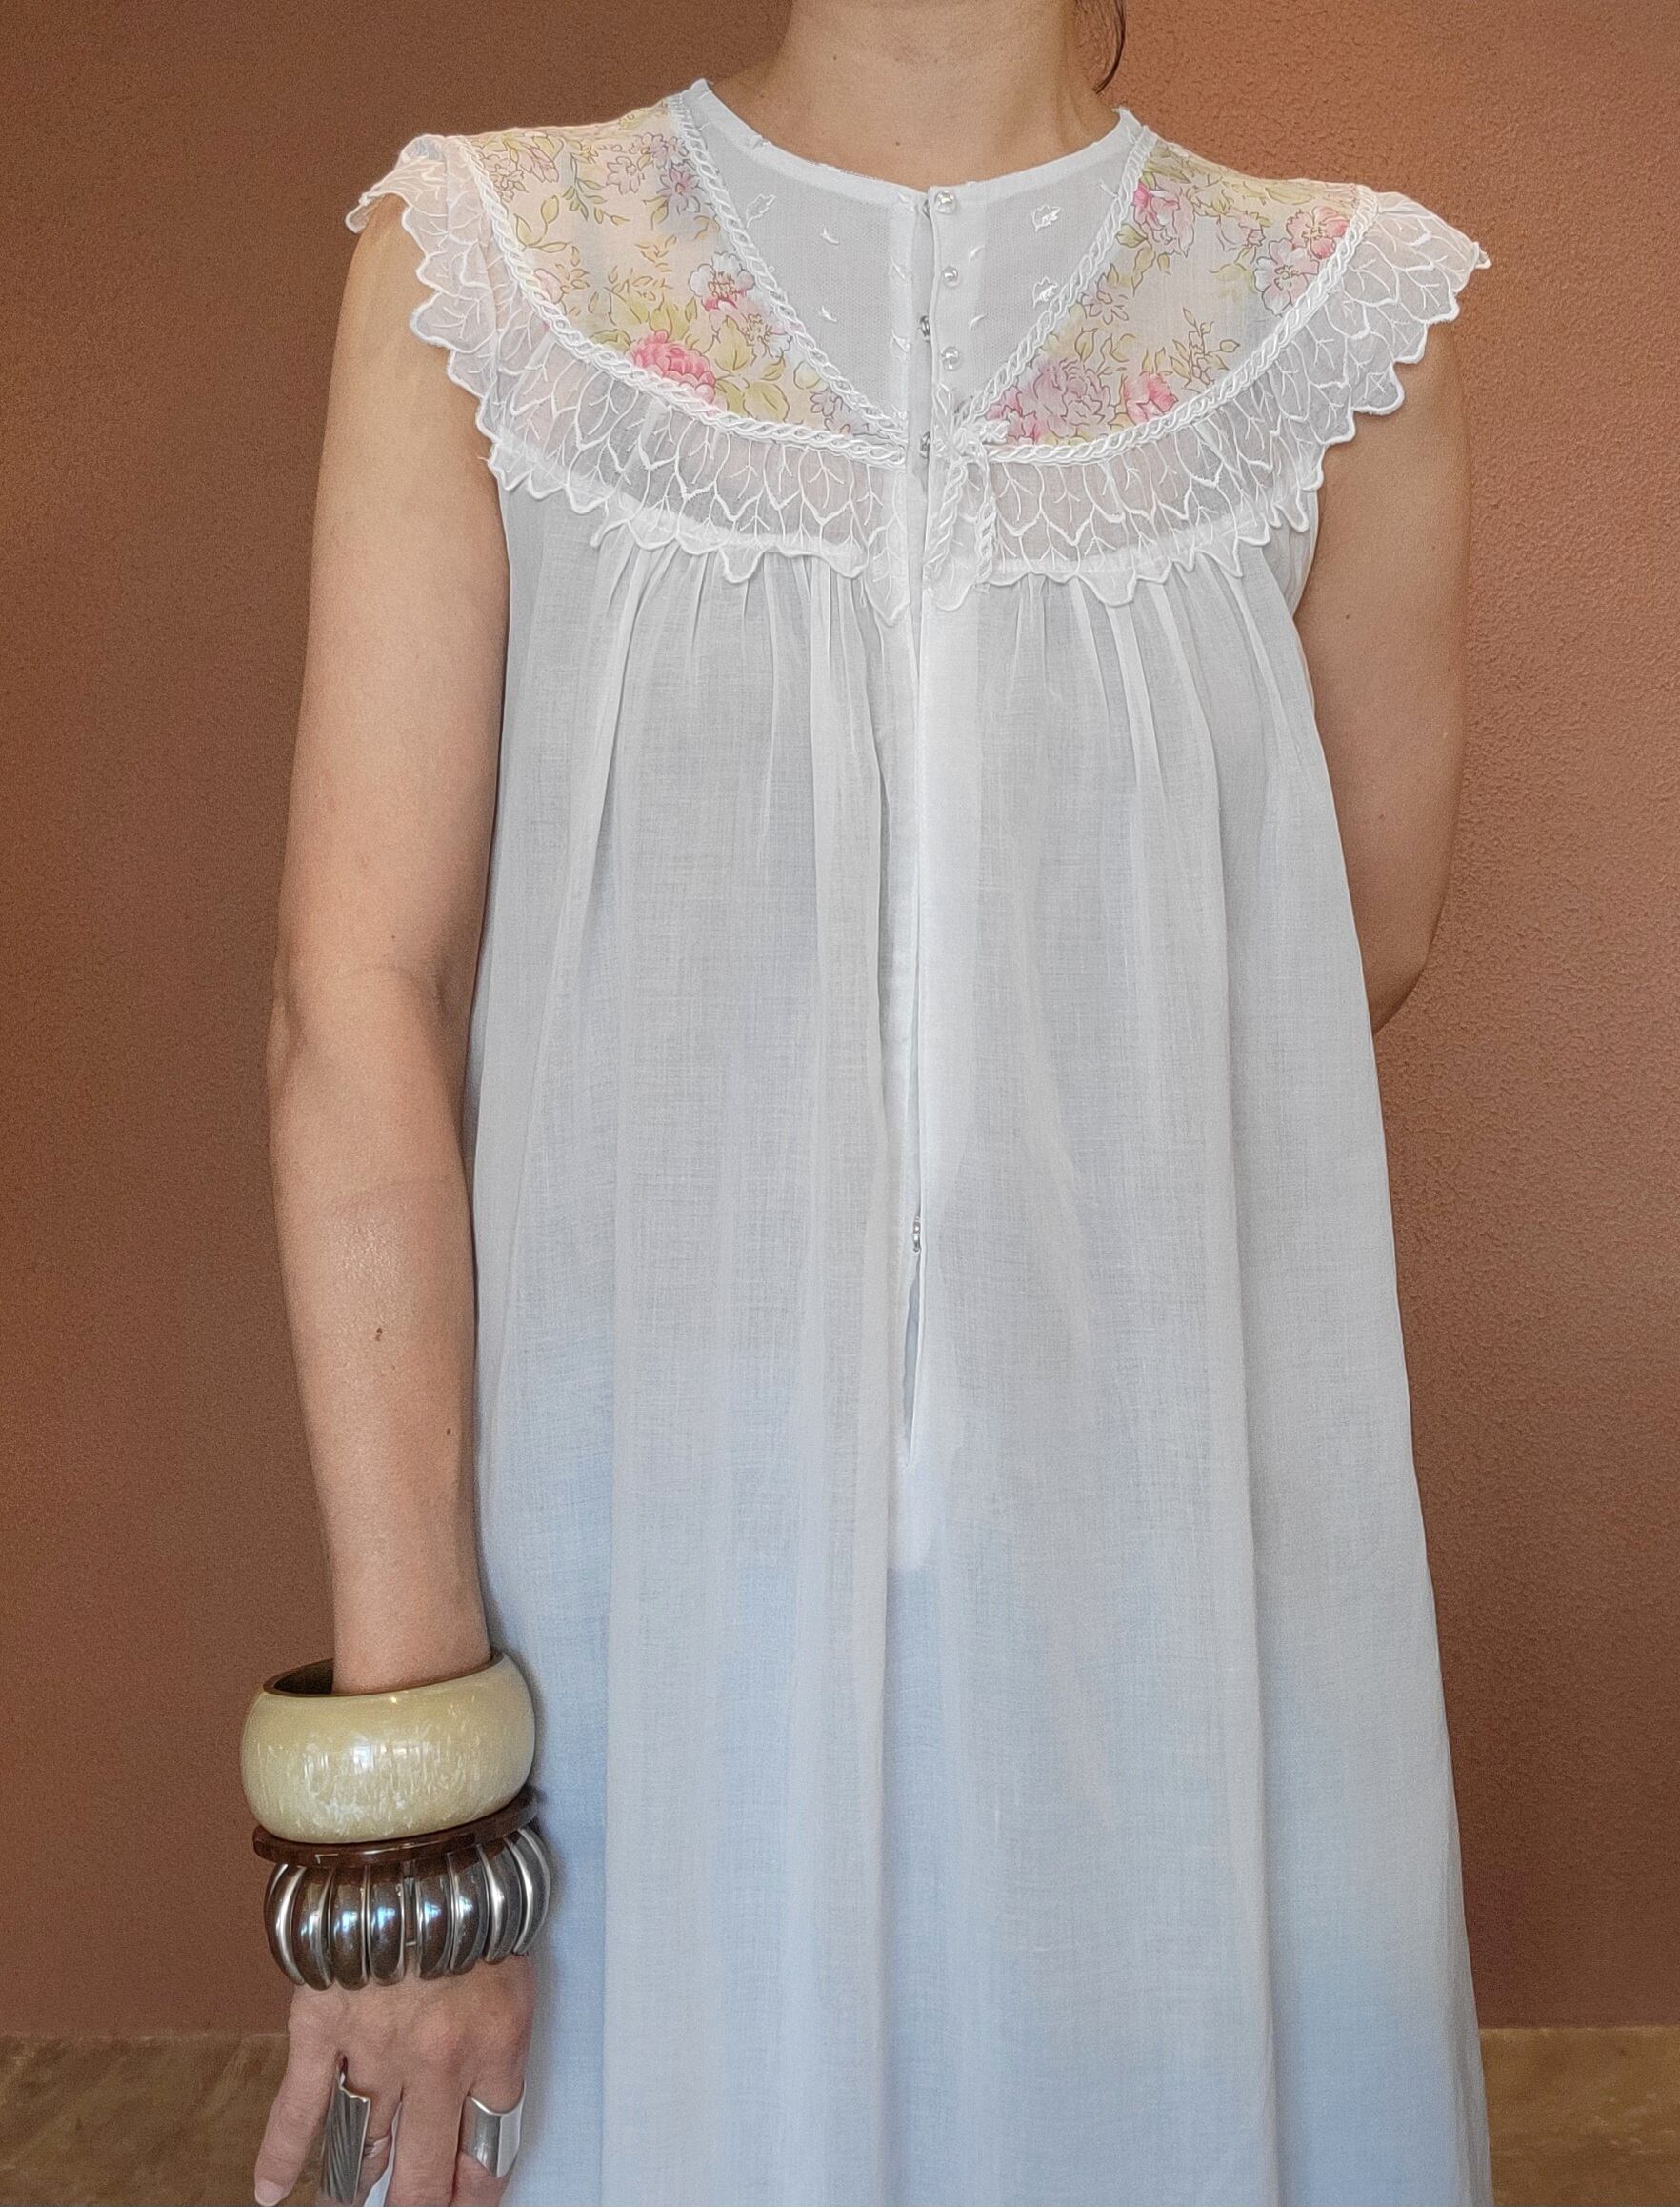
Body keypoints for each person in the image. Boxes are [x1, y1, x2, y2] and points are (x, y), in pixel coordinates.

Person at [254, 2, 1493, 2201]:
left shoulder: (1333, 322)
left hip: (1185, 1627)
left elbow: (1341, 949)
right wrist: (417, 1790)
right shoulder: (493, 273)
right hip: (632, 1633)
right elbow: (353, 1001)